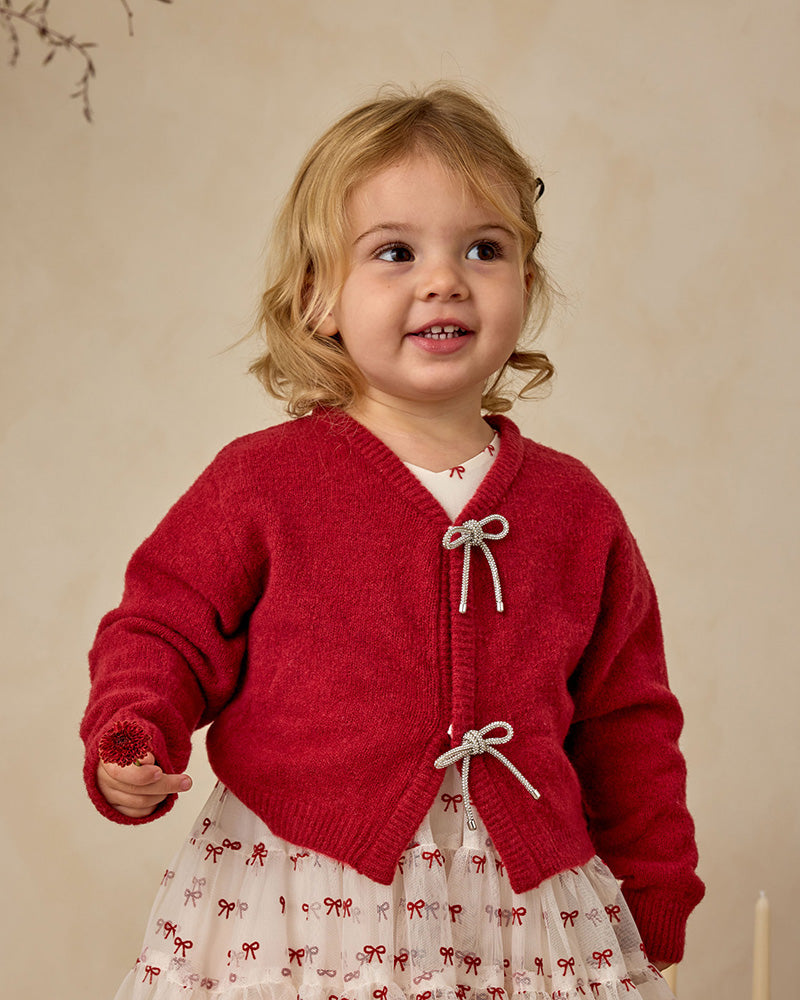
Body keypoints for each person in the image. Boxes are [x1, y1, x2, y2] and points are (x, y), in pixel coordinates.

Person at [82, 83, 704, 1000]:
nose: (444, 279)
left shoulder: (577, 510)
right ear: (317, 297)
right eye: (395, 252)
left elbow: (627, 718)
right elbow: (166, 626)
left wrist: (655, 889)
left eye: (484, 249)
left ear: (525, 286)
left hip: (522, 915)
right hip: (303, 897)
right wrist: (134, 729)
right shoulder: (263, 481)